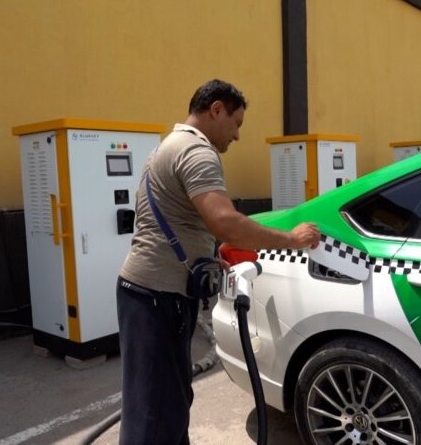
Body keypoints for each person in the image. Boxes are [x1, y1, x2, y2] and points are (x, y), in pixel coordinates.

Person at [117, 79, 320, 444]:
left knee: (163, 402)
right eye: (236, 123)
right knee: (156, 413)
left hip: (146, 293)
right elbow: (225, 223)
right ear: (216, 110)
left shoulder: (169, 145)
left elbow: (174, 219)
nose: (237, 135)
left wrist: (207, 259)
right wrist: (292, 240)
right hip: (158, 297)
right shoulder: (197, 151)